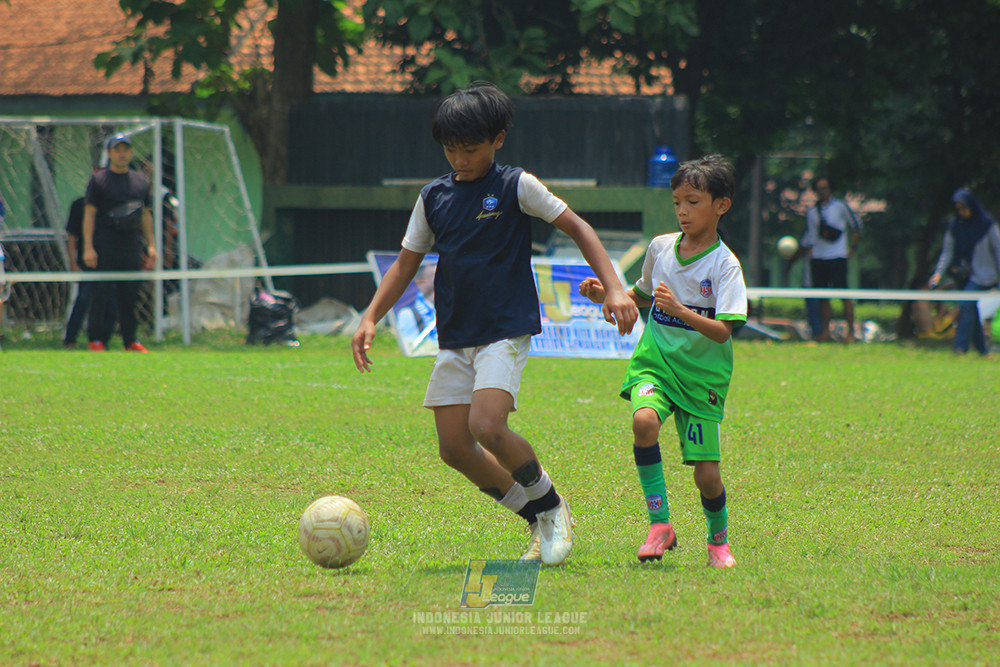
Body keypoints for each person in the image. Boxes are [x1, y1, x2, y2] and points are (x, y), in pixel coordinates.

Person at [350, 82, 638, 566]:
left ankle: (551, 507)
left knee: (487, 425)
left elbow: (579, 228)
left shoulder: (515, 185)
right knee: (455, 449)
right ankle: (538, 516)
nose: (460, 158)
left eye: (471, 148)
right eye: (451, 149)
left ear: (498, 140)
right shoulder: (433, 197)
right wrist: (370, 316)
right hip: (456, 332)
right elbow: (404, 264)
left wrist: (613, 287)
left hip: (504, 328)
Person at [579, 154, 747, 569]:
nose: (683, 211)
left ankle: (718, 542)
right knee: (643, 422)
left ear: (720, 205)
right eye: (677, 202)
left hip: (703, 376)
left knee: (707, 476)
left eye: (693, 201)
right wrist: (608, 297)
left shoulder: (725, 266)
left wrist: (681, 310)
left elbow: (724, 331)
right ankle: (660, 524)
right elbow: (638, 296)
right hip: (655, 363)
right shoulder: (659, 248)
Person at [82, 133, 157, 352]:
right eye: (117, 149)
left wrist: (151, 245)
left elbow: (145, 214)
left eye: (126, 149)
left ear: (131, 152)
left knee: (130, 296)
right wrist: (88, 247)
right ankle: (96, 340)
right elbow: (89, 214)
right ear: (109, 153)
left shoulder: (141, 181)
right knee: (101, 295)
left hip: (131, 247)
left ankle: (130, 340)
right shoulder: (99, 180)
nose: (122, 154)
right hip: (105, 246)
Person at [929, 187, 1000, 356]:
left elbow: (998, 250)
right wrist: (938, 273)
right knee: (970, 307)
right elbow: (947, 251)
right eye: (958, 208)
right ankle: (982, 350)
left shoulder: (986, 224)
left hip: (987, 275)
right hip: (966, 275)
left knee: (966, 304)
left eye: (964, 208)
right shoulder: (955, 226)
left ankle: (960, 347)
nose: (962, 212)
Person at [801, 177, 862, 341]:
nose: (822, 191)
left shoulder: (840, 207)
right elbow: (811, 236)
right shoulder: (812, 211)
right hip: (819, 257)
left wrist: (852, 248)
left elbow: (856, 226)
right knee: (823, 297)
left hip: (837, 255)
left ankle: (850, 333)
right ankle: (825, 332)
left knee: (844, 295)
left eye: (825, 188)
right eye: (819, 188)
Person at [63, 195, 116, 349]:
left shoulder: (113, 203)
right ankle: (70, 339)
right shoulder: (79, 204)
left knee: (111, 303)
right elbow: (71, 236)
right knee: (83, 299)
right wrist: (73, 263)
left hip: (109, 263)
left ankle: (102, 341)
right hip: (87, 263)